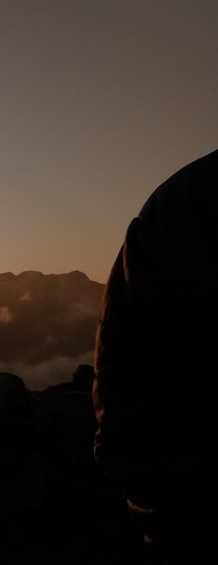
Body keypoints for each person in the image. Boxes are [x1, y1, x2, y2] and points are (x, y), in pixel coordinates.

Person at [93, 148, 218, 563]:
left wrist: (126, 464)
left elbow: (121, 347)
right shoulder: (182, 202)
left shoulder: (180, 200)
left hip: (184, 484)